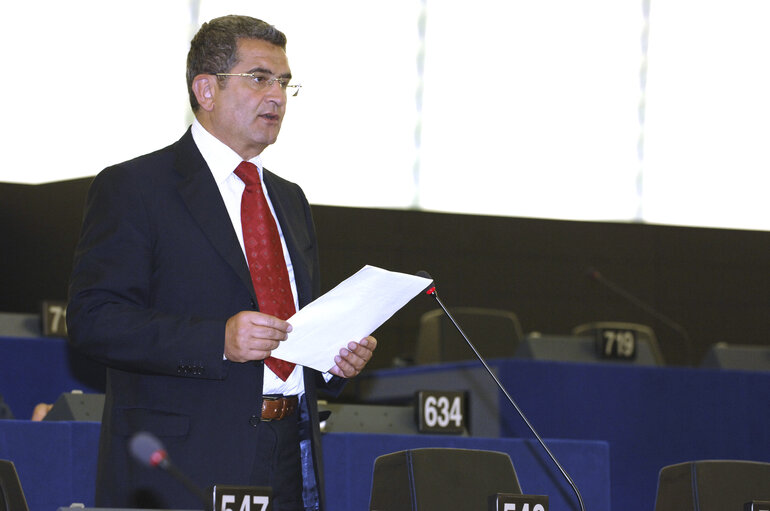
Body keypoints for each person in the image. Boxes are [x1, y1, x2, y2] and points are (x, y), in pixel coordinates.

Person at [66, 15, 377, 511]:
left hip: (290, 453)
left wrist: (335, 360)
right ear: (206, 90)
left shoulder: (289, 199)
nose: (276, 96)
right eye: (259, 78)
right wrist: (218, 341)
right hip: (188, 460)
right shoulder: (136, 188)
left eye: (284, 82)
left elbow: (295, 324)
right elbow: (94, 321)